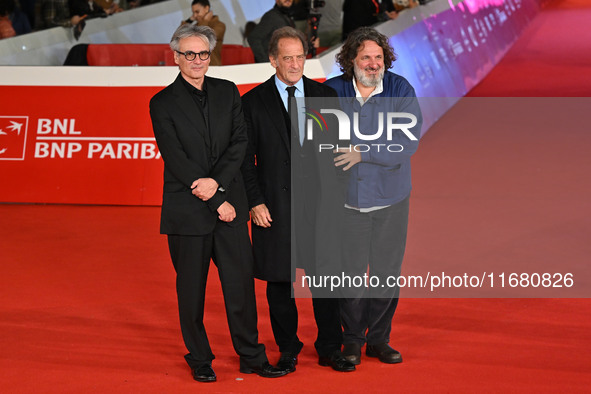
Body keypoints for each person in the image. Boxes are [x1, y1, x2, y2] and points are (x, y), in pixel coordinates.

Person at [149, 24, 286, 382]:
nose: (197, 60)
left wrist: (219, 189)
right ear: (176, 57)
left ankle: (252, 356)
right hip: (188, 212)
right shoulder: (161, 103)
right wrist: (215, 199)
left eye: (203, 54)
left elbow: (239, 144)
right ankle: (199, 358)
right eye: (189, 54)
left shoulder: (228, 92)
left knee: (240, 287)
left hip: (230, 209)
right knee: (190, 292)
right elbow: (175, 159)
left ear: (211, 56)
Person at [240, 26, 355, 374]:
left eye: (300, 56)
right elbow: (245, 161)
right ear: (273, 60)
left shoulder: (326, 97)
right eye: (287, 57)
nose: (294, 64)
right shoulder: (252, 103)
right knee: (279, 282)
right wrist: (255, 202)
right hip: (274, 207)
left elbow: (340, 152)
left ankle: (330, 347)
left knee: (326, 279)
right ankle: (288, 348)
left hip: (321, 208)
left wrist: (338, 196)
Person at [324, 27, 422, 365]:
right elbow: (314, 138)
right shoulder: (331, 91)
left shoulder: (400, 89)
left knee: (385, 272)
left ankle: (379, 338)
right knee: (350, 272)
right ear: (351, 59)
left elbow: (407, 141)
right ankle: (351, 340)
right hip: (347, 200)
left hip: (392, 199)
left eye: (378, 57)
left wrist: (362, 151)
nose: (373, 63)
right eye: (366, 56)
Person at [181, 0, 225, 65]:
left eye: (197, 12)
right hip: (195, 66)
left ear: (206, 8)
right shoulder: (196, 26)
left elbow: (203, 38)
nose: (195, 15)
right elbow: (180, 34)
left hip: (212, 66)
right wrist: (190, 20)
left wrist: (205, 20)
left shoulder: (219, 25)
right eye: (193, 13)